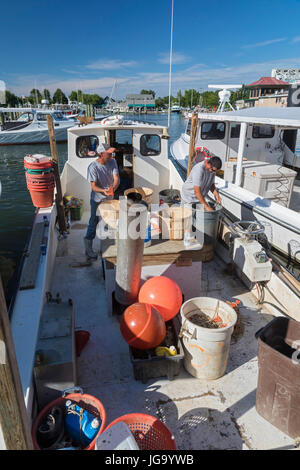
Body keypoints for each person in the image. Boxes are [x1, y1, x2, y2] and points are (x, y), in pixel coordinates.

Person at [84, 143, 120, 259]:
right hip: (97, 199)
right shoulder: (92, 167)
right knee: (93, 221)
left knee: (111, 220)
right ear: (101, 154)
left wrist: (112, 189)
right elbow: (93, 187)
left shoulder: (112, 162)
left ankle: (109, 244)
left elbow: (116, 179)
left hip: (109, 197)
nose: (111, 155)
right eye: (108, 153)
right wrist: (104, 191)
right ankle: (88, 247)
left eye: (111, 152)